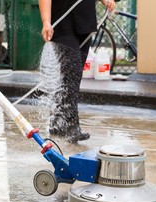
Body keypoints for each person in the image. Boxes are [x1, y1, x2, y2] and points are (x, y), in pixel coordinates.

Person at [38, 0, 115, 143]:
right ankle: (71, 126)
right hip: (62, 23)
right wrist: (46, 21)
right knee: (72, 73)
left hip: (84, 22)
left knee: (72, 76)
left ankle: (58, 122)